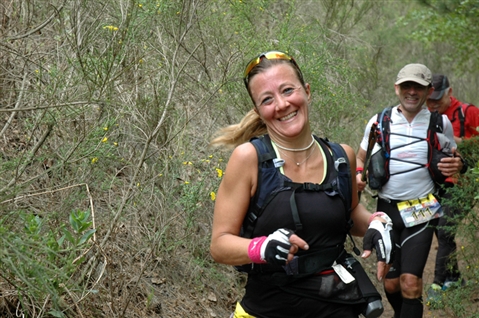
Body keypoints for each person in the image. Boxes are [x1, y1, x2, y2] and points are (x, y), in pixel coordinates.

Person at [209, 51, 394, 318]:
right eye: (267, 99)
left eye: (288, 90)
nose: (282, 104)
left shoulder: (341, 157)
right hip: (266, 309)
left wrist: (376, 222)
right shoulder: (249, 159)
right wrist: (261, 247)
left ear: (307, 91)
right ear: (259, 111)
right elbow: (220, 244)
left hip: (337, 306)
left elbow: (351, 215)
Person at [356, 64, 465, 318]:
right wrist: (359, 175)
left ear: (429, 90)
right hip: (386, 212)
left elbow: (455, 157)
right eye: (407, 86)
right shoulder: (379, 121)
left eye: (418, 87)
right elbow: (360, 158)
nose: (412, 92)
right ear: (397, 89)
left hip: (422, 210)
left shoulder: (440, 123)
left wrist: (459, 163)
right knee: (391, 283)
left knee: (410, 282)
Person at [425, 74, 478, 298]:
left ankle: (437, 282)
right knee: (439, 228)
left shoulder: (469, 112)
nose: (433, 102)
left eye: (438, 97)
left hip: (464, 183)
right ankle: (454, 278)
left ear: (450, 92)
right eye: (430, 98)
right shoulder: (425, 115)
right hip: (436, 184)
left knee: (445, 227)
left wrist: (454, 140)